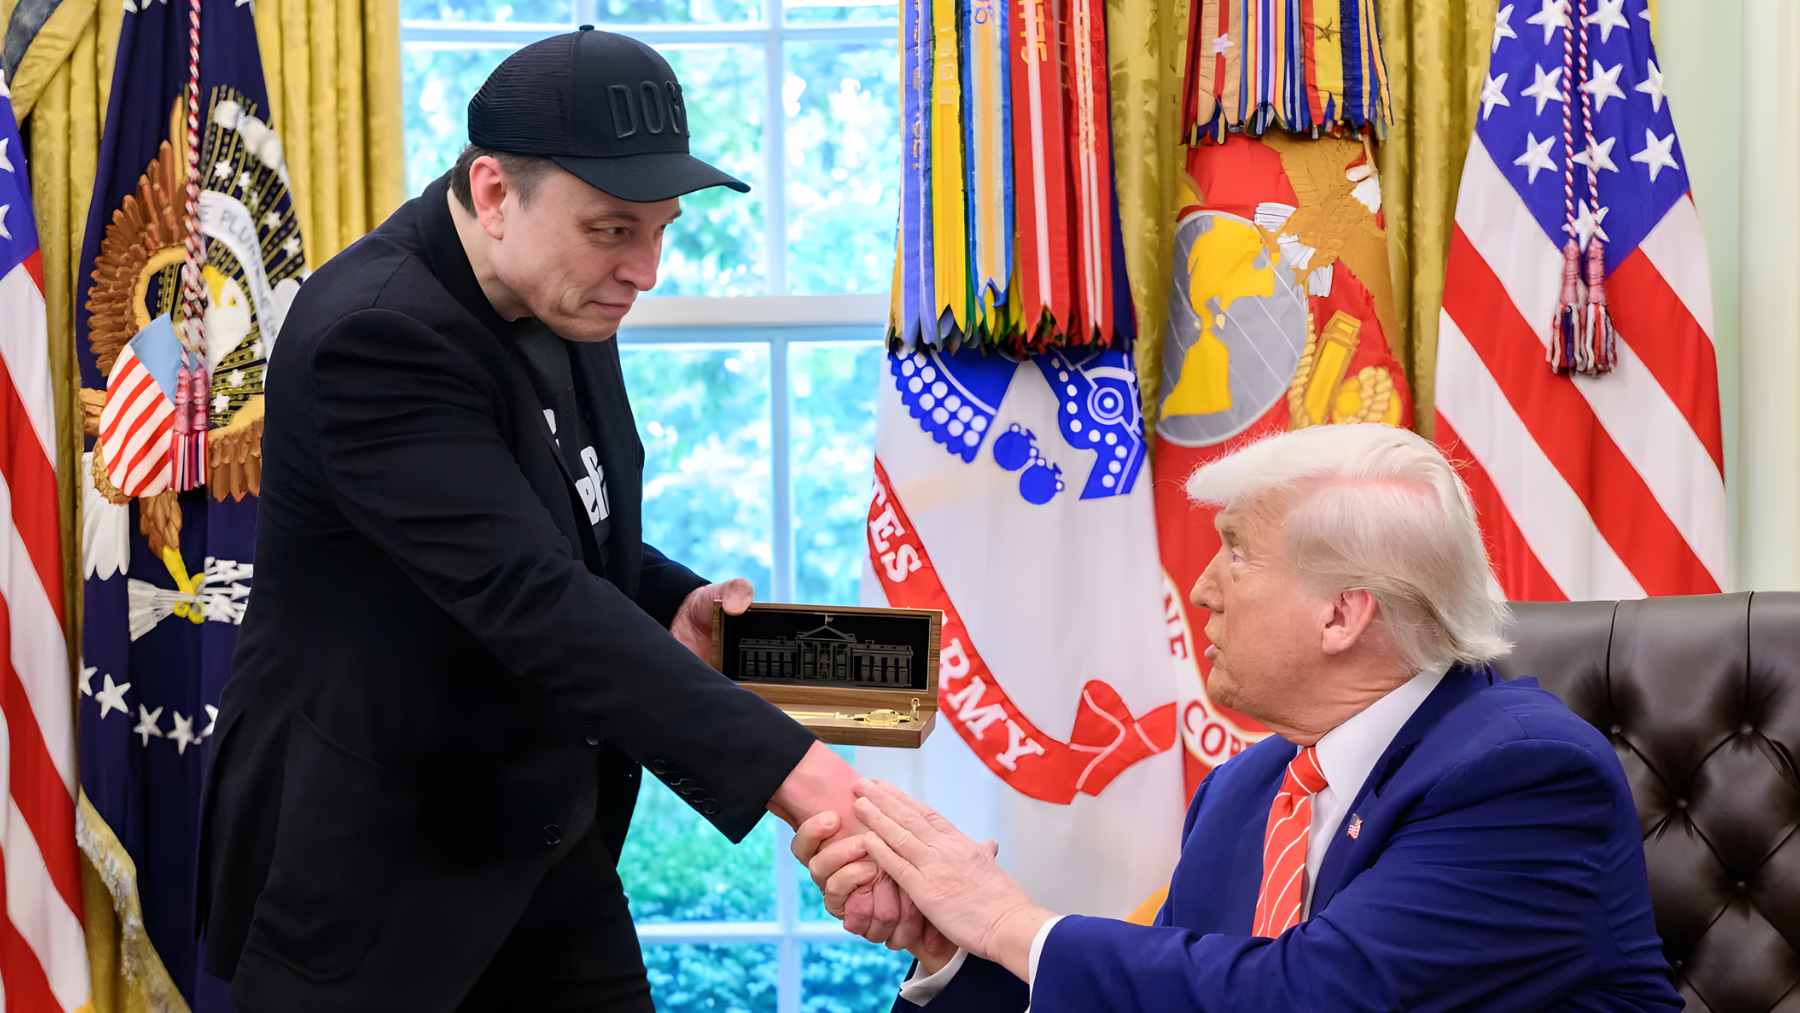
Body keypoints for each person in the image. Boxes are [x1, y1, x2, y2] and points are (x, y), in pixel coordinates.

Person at [197, 27, 917, 1013]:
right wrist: (812, 781)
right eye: (615, 228)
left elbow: (550, 510)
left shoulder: (562, 288)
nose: (648, 267)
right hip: (372, 879)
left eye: (661, 227)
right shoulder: (374, 335)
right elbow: (527, 593)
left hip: (548, 845)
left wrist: (670, 598)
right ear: (495, 193)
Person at [797, 423, 1684, 1012]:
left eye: (1235, 554)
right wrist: (951, 949)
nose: (1200, 590)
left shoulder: (1523, 775)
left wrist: (1013, 923)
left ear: (1343, 613)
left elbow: (1316, 996)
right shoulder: (1247, 789)